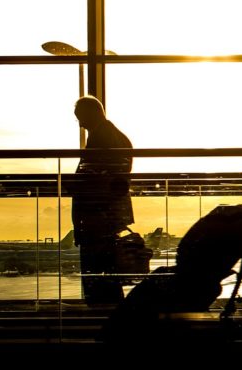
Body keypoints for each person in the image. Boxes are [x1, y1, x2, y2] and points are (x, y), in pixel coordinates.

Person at [71, 95, 135, 307]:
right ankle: (110, 317)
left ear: (93, 113)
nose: (79, 123)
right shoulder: (115, 136)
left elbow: (100, 179)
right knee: (107, 276)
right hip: (105, 217)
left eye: (80, 117)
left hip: (97, 217)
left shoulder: (103, 138)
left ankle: (104, 318)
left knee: (97, 276)